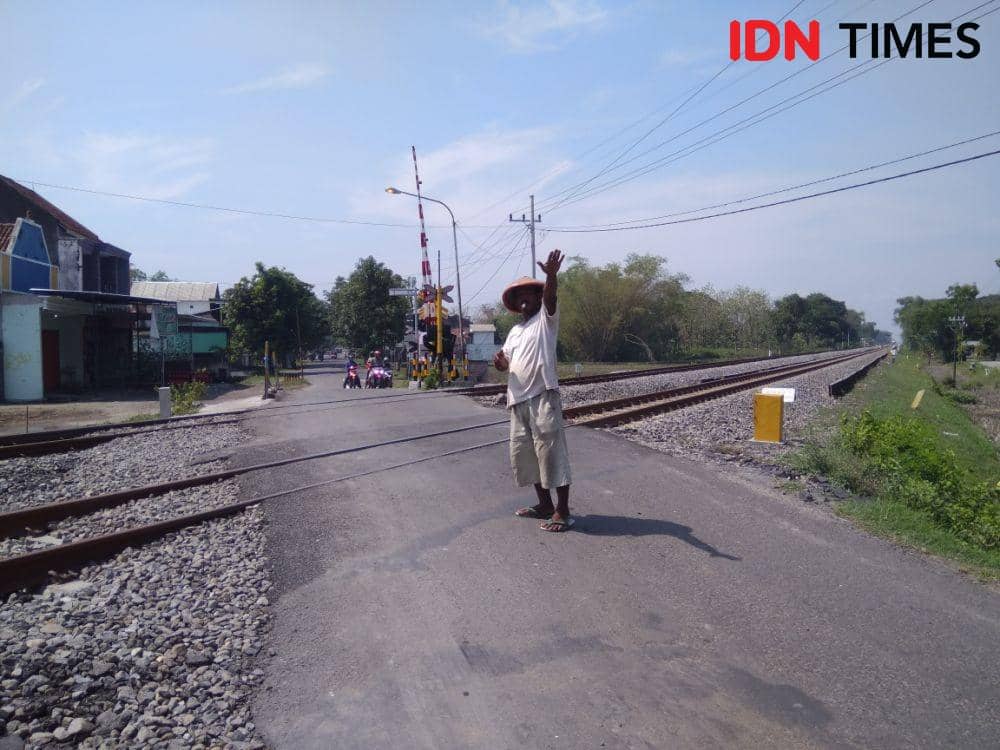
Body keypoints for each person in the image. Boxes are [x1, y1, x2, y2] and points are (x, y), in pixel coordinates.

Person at [493, 249, 573, 532]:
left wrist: (551, 276)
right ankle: (544, 505)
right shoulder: (515, 332)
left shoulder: (546, 320)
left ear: (539, 298)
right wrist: (501, 362)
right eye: (520, 295)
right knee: (526, 455)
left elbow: (552, 297)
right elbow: (506, 364)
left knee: (551, 453)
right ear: (515, 303)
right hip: (517, 401)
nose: (525, 298)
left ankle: (562, 511)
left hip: (543, 396)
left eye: (530, 293)